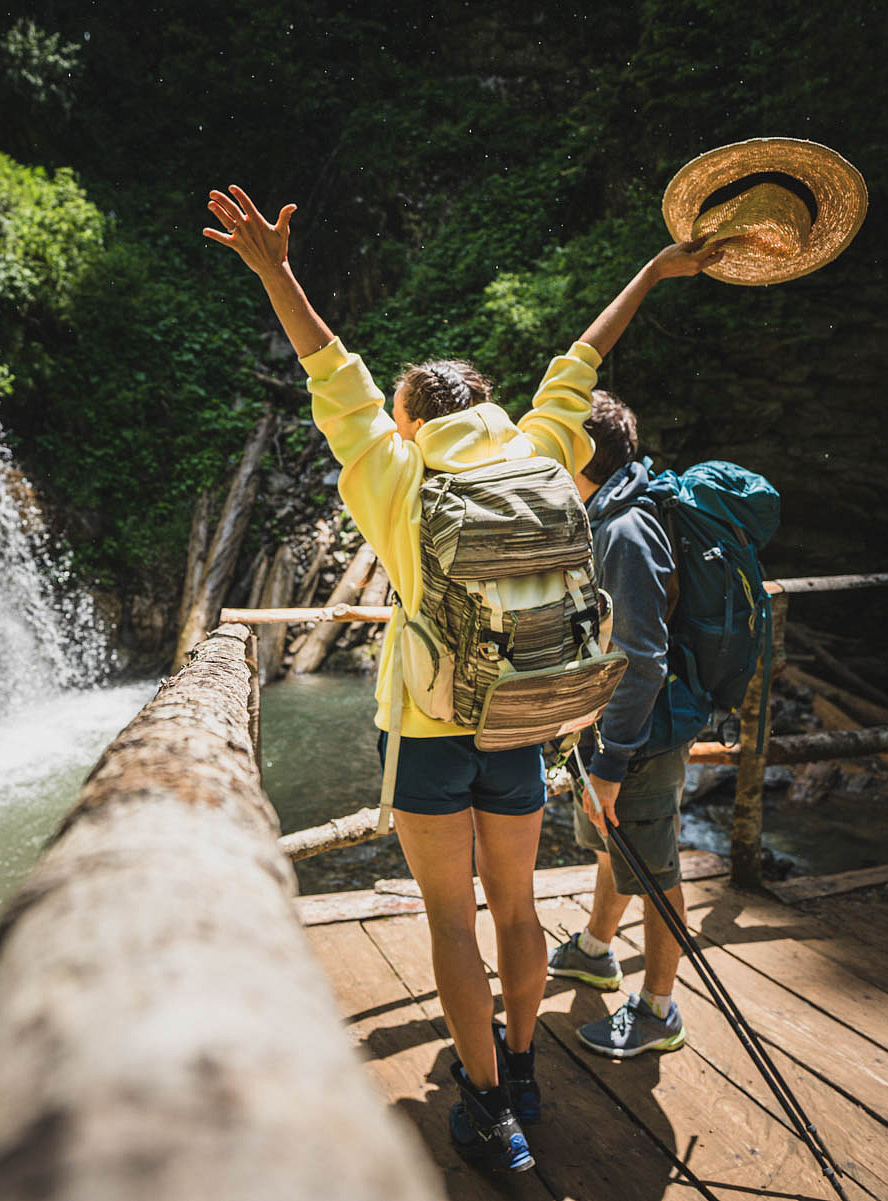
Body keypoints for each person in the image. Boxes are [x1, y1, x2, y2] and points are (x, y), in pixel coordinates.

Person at [204, 184, 711, 1168]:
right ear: (484, 400)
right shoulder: (540, 447)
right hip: (524, 715)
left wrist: (274, 269)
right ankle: (523, 1064)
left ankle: (486, 1109)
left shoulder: (395, 471)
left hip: (431, 725)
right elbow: (584, 361)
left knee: (451, 918)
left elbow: (327, 365)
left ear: (407, 417)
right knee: (518, 908)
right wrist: (652, 268)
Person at [550, 386, 696, 1058]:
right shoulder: (602, 514)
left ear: (582, 453)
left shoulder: (624, 529)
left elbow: (641, 659)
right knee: (618, 843)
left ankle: (658, 1010)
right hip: (613, 728)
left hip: (641, 732)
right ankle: (596, 949)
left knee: (654, 862)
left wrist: (610, 764)